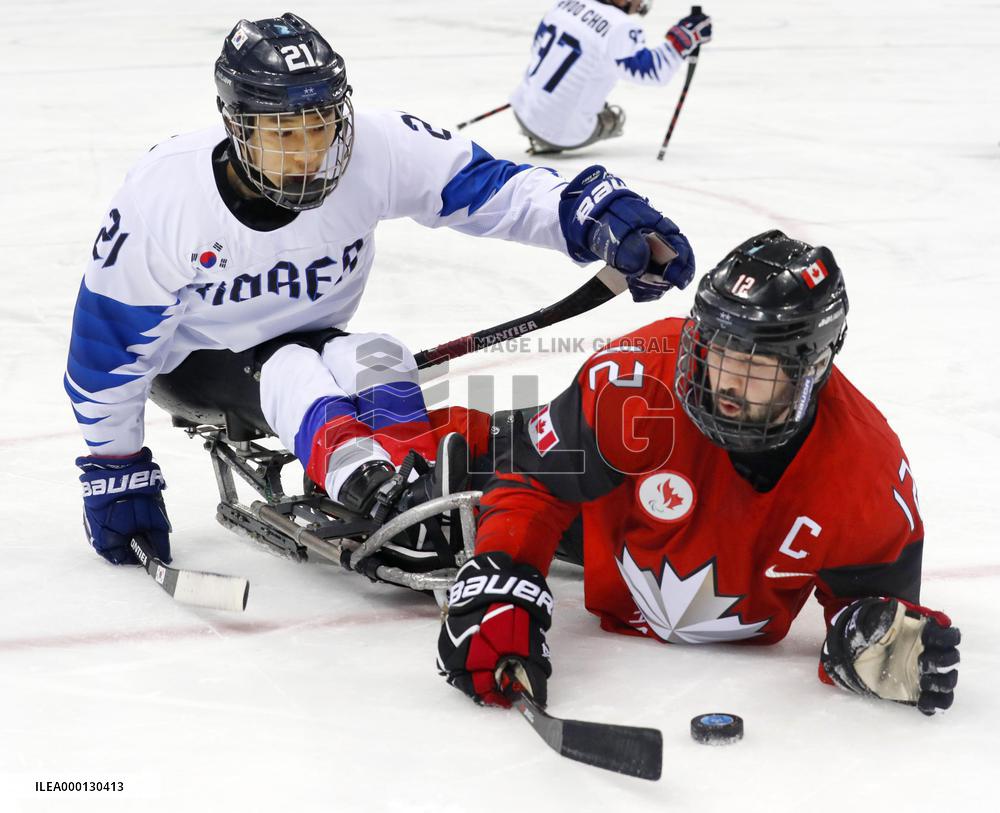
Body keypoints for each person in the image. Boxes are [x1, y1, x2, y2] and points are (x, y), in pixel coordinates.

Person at [67, 13, 695, 569]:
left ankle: (418, 485)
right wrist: (115, 467)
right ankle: (366, 483)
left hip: (317, 335)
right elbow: (107, 343)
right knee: (290, 368)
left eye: (319, 128)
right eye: (282, 136)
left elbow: (491, 188)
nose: (309, 154)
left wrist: (590, 216)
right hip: (195, 364)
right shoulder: (167, 197)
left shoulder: (377, 145)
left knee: (375, 354)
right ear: (236, 125)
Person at [436, 230, 961, 716]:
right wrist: (501, 581)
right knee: (449, 472)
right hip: (607, 510)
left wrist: (870, 640)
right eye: (719, 351)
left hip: (649, 537)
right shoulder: (639, 383)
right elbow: (537, 476)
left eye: (756, 366)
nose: (727, 381)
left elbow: (872, 611)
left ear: (812, 367)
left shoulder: (865, 474)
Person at [509, 1, 712, 154]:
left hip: (521, 108)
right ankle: (551, 136)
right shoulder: (620, 26)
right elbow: (653, 72)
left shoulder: (564, 4)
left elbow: (537, 48)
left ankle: (545, 117)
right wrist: (685, 37)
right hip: (564, 134)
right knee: (612, 117)